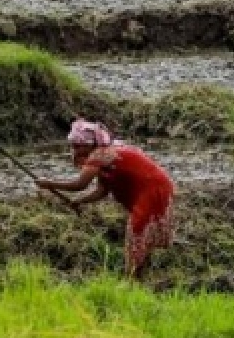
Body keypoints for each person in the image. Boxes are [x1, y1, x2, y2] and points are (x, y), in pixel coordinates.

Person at [35, 120, 175, 280]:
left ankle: (133, 280)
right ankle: (139, 277)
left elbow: (80, 184)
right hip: (157, 187)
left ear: (91, 144)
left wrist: (48, 183)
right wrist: (79, 201)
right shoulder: (107, 153)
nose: (76, 150)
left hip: (152, 190)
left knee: (138, 232)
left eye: (79, 146)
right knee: (140, 234)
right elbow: (101, 190)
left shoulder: (100, 154)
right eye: (73, 146)